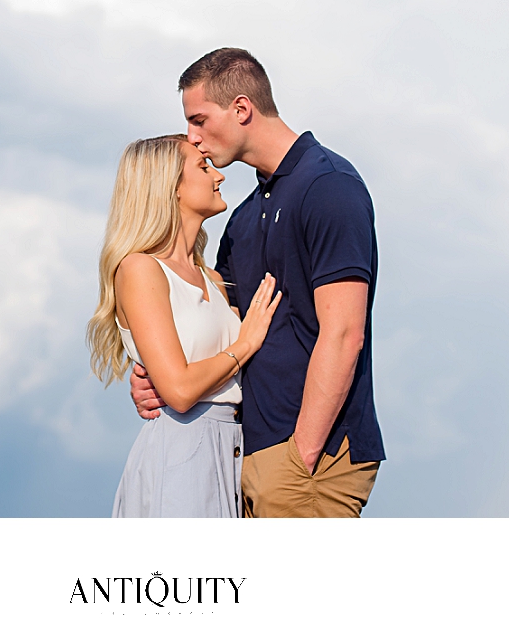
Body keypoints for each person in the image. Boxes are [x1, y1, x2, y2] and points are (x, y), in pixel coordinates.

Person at [131, 48, 386, 517]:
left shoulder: (329, 187)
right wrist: (154, 376)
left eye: (200, 119)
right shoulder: (244, 219)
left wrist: (299, 458)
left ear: (242, 109)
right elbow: (214, 329)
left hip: (309, 460)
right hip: (242, 460)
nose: (193, 137)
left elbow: (345, 333)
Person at [88, 134, 283, 517]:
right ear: (171, 187)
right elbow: (178, 390)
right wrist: (246, 343)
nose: (219, 176)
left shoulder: (212, 277)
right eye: (203, 166)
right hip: (183, 452)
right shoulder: (140, 269)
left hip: (232, 448)